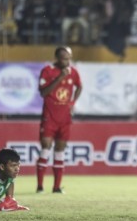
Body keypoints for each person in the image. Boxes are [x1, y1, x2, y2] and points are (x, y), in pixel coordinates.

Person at [36, 46, 82, 194]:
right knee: (45, 149)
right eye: (64, 58)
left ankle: (56, 187)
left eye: (69, 58)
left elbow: (79, 87)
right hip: (49, 116)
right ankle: (40, 186)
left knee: (60, 152)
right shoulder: (48, 71)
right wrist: (60, 78)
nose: (67, 61)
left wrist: (72, 103)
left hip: (65, 118)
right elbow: (43, 92)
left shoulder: (73, 71)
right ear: (57, 58)